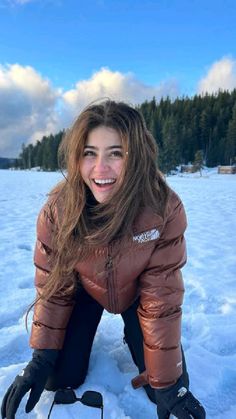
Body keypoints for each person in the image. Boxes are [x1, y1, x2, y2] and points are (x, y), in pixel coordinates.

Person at [1, 100, 206, 419]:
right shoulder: (58, 211)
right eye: (89, 153)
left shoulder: (163, 208)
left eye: (116, 153)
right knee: (58, 378)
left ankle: (132, 332)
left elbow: (161, 295)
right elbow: (53, 289)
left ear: (136, 155)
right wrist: (41, 357)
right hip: (84, 292)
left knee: (162, 388)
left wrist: (167, 382)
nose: (100, 169)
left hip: (139, 298)